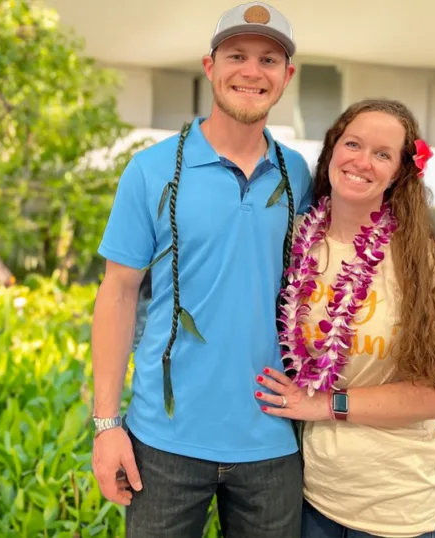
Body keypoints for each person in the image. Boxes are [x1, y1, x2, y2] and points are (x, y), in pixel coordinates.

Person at [90, 2, 314, 537]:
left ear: (287, 76)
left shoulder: (299, 175)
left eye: (268, 59)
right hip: (163, 441)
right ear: (209, 66)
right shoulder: (149, 170)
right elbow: (118, 294)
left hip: (273, 441)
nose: (252, 71)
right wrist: (105, 426)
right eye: (236, 55)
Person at [253, 99, 435, 538]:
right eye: (353, 143)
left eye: (383, 154)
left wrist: (326, 405)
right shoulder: (294, 241)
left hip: (400, 511)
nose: (362, 162)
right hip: (311, 502)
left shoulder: (426, 262)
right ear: (332, 149)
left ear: (400, 173)